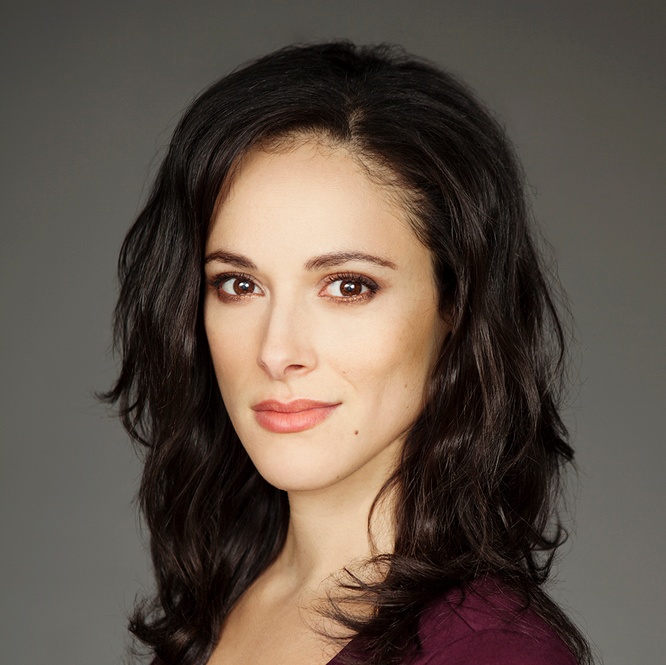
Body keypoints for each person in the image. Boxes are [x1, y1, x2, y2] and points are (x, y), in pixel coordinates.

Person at [105, 41, 591, 665]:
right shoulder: (218, 600)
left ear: (456, 305)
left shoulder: (485, 651)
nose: (277, 351)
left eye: (348, 286)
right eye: (239, 285)